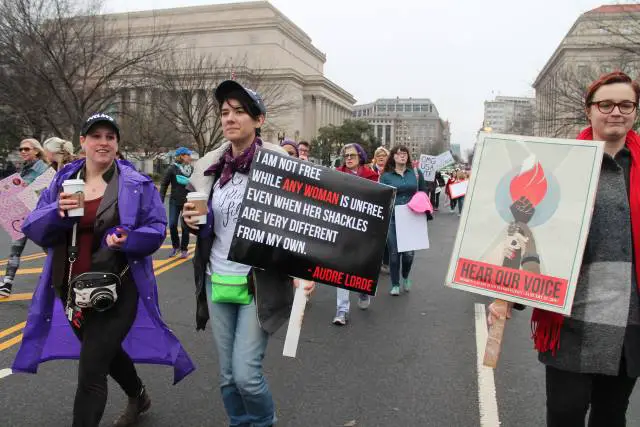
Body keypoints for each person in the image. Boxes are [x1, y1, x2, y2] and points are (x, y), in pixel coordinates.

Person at [12, 113, 195, 427]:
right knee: (104, 354)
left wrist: (129, 239)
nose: (103, 142)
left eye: (110, 137)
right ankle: (138, 394)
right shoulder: (61, 180)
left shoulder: (135, 184)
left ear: (117, 143)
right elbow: (33, 226)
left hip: (118, 289)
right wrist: (57, 211)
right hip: (69, 287)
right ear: (82, 141)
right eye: (95, 136)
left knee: (91, 371)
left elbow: (156, 228)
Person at [488, 71, 640, 427]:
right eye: (606, 104)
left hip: (629, 320)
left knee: (611, 416)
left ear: (634, 111)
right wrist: (509, 291)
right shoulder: (559, 165)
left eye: (626, 104)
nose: (615, 111)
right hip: (570, 317)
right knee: (565, 414)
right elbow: (525, 230)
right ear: (589, 110)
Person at [183, 80, 313, 427]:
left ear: (259, 120)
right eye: (225, 112)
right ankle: (239, 423)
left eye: (239, 111)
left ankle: (264, 422)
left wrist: (305, 272)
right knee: (227, 377)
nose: (230, 118)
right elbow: (208, 225)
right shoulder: (209, 165)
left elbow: (300, 222)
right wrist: (194, 223)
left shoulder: (278, 162)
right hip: (217, 278)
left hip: (258, 281)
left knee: (246, 375)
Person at [332, 143, 379, 325]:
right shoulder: (336, 174)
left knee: (360, 266)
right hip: (342, 228)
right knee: (342, 267)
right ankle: (342, 310)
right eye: (346, 156)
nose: (348, 159)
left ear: (360, 157)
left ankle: (363, 289)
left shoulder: (372, 177)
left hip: (365, 229)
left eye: (352, 155)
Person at [0, 138, 49, 297]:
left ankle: (63, 277)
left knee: (49, 249)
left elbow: (44, 193)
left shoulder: (44, 169)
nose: (22, 152)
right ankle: (7, 282)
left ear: (36, 150)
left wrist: (25, 193)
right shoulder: (24, 170)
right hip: (22, 215)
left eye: (26, 149)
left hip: (38, 216)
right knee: (15, 249)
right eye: (21, 149)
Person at [380, 145, 428, 296]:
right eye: (399, 154)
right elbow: (382, 196)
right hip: (392, 218)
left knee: (408, 254)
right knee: (394, 253)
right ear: (393, 157)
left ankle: (405, 276)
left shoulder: (415, 173)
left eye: (404, 154)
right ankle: (395, 284)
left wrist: (423, 207)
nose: (402, 156)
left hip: (412, 218)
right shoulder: (386, 176)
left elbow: (423, 192)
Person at [160, 147, 193, 258]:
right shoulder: (172, 169)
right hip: (174, 200)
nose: (190, 157)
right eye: (188, 155)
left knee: (185, 226)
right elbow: (164, 184)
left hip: (187, 201)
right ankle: (175, 247)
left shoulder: (192, 170)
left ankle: (184, 249)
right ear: (182, 156)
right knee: (173, 224)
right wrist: (161, 199)